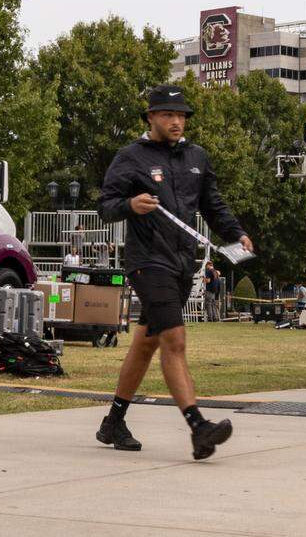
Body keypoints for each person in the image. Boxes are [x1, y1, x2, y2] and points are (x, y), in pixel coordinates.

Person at [96, 84, 252, 460]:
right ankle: (198, 426)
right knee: (175, 341)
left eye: (181, 115)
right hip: (148, 262)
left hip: (183, 262)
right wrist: (131, 204)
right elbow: (106, 205)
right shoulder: (130, 156)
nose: (176, 121)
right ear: (150, 118)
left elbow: (213, 205)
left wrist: (238, 234)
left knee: (147, 343)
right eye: (168, 115)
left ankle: (113, 422)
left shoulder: (197, 156)